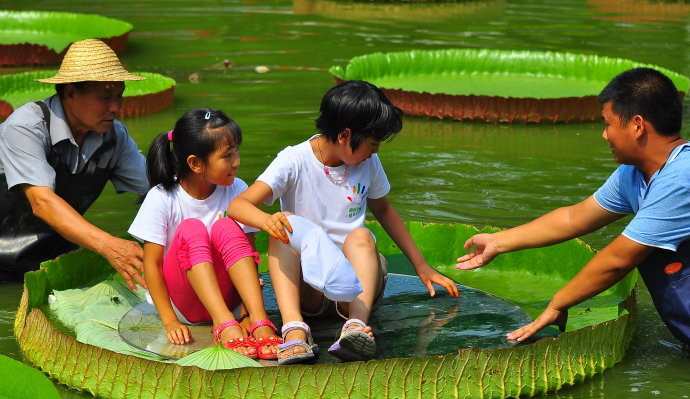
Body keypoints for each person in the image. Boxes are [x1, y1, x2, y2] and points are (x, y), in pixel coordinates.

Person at [229, 80, 459, 364]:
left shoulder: (368, 163)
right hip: (308, 288)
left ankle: (356, 328)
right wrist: (268, 220)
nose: (374, 153)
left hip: (355, 291)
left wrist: (421, 266)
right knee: (284, 224)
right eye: (372, 145)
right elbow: (237, 206)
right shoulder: (294, 160)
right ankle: (295, 331)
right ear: (345, 135)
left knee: (361, 236)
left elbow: (384, 210)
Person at [457, 67, 690, 346]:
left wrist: (559, 303)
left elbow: (618, 260)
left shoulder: (681, 178)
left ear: (637, 125)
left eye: (608, 124)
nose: (604, 135)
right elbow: (574, 218)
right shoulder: (635, 174)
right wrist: (499, 241)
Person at [128, 109, 281, 360]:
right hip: (186, 303)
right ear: (195, 164)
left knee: (225, 227)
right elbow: (152, 266)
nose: (237, 162)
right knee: (192, 229)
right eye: (227, 156)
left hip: (231, 299)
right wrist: (169, 322)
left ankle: (259, 321)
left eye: (236, 152)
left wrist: (245, 313)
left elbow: (249, 255)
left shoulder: (238, 190)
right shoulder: (162, 198)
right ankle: (223, 324)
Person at [0, 39, 149, 288]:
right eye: (105, 97)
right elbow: (42, 202)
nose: (115, 107)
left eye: (119, 96)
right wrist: (110, 246)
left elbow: (156, 187)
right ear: (70, 92)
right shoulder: (25, 128)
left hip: (50, 254)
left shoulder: (114, 137)